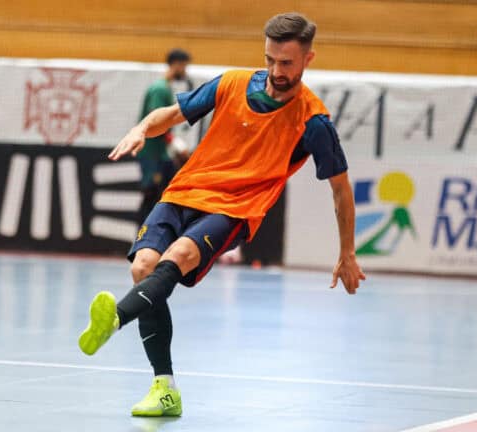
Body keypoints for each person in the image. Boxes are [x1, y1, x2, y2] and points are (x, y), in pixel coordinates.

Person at [78, 12, 366, 417]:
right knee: (143, 267)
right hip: (185, 191)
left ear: (308, 59)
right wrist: (142, 127)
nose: (276, 70)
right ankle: (165, 389)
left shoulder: (313, 120)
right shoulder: (231, 83)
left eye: (286, 63)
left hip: (236, 207)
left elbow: (341, 190)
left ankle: (115, 319)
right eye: (270, 59)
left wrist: (347, 253)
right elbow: (174, 115)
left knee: (179, 256)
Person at [136, 48, 192, 224]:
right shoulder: (160, 90)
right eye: (184, 66)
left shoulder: (164, 88)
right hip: (153, 153)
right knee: (151, 195)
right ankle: (142, 240)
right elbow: (157, 121)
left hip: (160, 154)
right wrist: (177, 146)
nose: (185, 71)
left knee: (159, 196)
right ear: (176, 65)